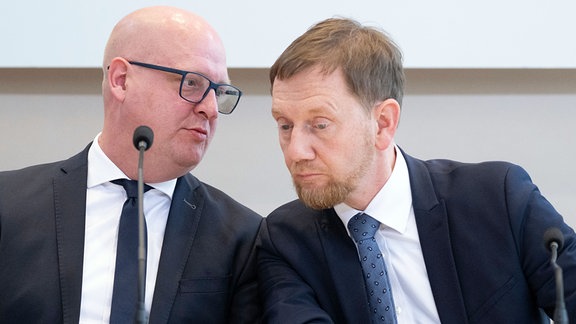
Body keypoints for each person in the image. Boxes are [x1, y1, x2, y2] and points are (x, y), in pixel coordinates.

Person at [257, 17, 576, 323]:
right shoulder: (286, 241)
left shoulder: (498, 199)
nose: (295, 151)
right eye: (285, 125)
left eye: (320, 124)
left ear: (382, 123)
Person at [0, 6, 262, 324]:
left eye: (219, 92)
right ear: (121, 81)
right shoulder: (9, 204)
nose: (211, 109)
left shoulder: (243, 237)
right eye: (192, 83)